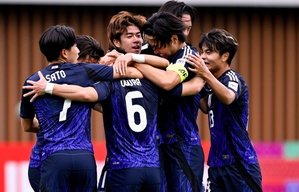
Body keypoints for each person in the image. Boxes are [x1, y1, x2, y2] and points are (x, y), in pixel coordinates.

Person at [20, 25, 142, 191]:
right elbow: (134, 73)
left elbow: (27, 126)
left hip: (48, 158)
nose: (76, 49)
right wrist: (121, 60)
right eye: (74, 46)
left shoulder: (32, 81)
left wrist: (51, 123)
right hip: (83, 157)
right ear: (65, 53)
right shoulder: (85, 72)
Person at [24, 34, 107, 192]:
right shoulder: (52, 82)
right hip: (44, 162)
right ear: (70, 55)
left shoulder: (49, 82)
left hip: (63, 161)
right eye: (87, 65)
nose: (89, 72)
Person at [133, 12, 205, 192]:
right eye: (151, 45)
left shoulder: (188, 55)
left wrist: (134, 62)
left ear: (174, 38)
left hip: (184, 146)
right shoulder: (153, 53)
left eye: (157, 46)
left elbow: (167, 81)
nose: (154, 50)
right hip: (156, 146)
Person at [186, 28, 262, 192]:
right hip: (216, 162)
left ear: (225, 56)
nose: (203, 56)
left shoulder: (232, 78)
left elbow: (228, 97)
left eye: (209, 52)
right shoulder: (210, 82)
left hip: (239, 161)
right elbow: (205, 106)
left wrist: (205, 74)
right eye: (202, 51)